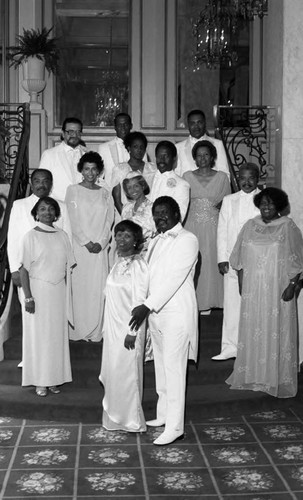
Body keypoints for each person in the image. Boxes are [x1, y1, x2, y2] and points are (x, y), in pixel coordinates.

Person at [129, 196, 199, 446]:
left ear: (177, 213)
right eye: (156, 213)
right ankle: (163, 415)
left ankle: (176, 426)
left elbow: (175, 278)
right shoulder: (156, 240)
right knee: (160, 365)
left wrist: (146, 306)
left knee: (174, 368)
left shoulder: (188, 239)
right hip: (157, 313)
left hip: (176, 312)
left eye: (164, 213)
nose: (160, 217)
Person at [226, 187, 303, 398]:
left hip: (278, 288)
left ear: (279, 206)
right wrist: (242, 282)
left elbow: (297, 257)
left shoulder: (288, 227)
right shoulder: (250, 225)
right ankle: (254, 375)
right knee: (255, 329)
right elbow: (239, 257)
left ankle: (274, 378)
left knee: (275, 329)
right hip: (253, 289)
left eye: (271, 203)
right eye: (263, 203)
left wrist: (292, 284)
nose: (266, 206)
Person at [7, 169, 72, 367]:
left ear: (51, 183)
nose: (41, 184)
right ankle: (31, 359)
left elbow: (66, 237)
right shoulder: (19, 205)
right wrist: (14, 269)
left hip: (53, 274)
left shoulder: (60, 206)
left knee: (52, 319)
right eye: (37, 181)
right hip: (27, 271)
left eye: (45, 181)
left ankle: (52, 359)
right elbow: (13, 238)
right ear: (31, 183)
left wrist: (66, 273)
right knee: (30, 316)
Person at [19, 196, 75, 397]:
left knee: (55, 337)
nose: (47, 212)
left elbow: (68, 269)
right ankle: (40, 381)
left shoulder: (62, 235)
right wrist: (28, 297)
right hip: (38, 292)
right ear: (36, 213)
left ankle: (54, 379)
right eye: (42, 209)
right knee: (40, 337)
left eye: (51, 209)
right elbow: (24, 270)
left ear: (56, 213)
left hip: (58, 292)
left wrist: (68, 299)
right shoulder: (30, 236)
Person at [99, 220, 149, 432]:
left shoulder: (139, 266)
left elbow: (139, 303)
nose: (121, 239)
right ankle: (114, 419)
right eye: (118, 234)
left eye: (127, 235)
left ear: (136, 240)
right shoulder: (117, 263)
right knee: (114, 373)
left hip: (128, 331)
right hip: (113, 330)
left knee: (128, 375)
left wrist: (132, 332)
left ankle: (132, 421)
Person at [212, 163, 261, 360]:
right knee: (232, 304)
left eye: (251, 178)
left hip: (257, 261)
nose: (246, 182)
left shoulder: (264, 200)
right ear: (236, 179)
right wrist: (222, 258)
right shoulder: (229, 200)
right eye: (242, 178)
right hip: (232, 259)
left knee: (255, 304)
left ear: (258, 179)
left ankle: (253, 346)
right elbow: (222, 229)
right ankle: (230, 346)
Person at [65, 152, 114, 342]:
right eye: (86, 169)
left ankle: (95, 331)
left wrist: (101, 243)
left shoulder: (105, 193)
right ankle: (77, 331)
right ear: (81, 170)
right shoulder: (73, 190)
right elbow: (72, 220)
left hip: (99, 250)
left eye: (94, 169)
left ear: (99, 171)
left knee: (97, 288)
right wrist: (86, 242)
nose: (90, 173)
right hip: (80, 248)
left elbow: (110, 220)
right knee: (80, 289)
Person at [184, 140, 230, 312]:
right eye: (199, 155)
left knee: (211, 263)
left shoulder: (222, 177)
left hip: (213, 227)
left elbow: (227, 205)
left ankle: (211, 302)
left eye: (206, 155)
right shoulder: (187, 176)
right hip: (191, 225)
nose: (202, 158)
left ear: (212, 157)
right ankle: (193, 302)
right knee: (193, 262)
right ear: (194, 158)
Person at [39, 117, 86, 201]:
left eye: (78, 132)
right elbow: (42, 183)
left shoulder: (86, 155)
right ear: (63, 133)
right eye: (70, 132)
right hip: (58, 206)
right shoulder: (49, 155)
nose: (74, 135)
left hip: (81, 206)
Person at [175, 109, 230, 178]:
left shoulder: (217, 144)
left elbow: (225, 175)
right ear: (188, 125)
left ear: (205, 123)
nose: (196, 126)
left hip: (212, 187)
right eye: (192, 123)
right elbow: (177, 177)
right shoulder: (178, 147)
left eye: (199, 122)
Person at [112, 131, 156, 213]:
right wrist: (128, 219)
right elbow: (117, 199)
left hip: (148, 216)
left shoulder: (152, 168)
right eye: (135, 147)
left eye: (142, 147)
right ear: (129, 148)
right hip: (126, 217)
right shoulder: (119, 169)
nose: (139, 150)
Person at [150, 141, 190, 222]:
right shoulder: (147, 177)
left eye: (166, 156)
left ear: (174, 158)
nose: (161, 159)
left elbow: (179, 217)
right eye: (159, 156)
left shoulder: (182, 184)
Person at [121, 171, 155, 251]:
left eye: (136, 186)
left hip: (146, 251)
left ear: (142, 186)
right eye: (129, 188)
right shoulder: (126, 208)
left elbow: (156, 233)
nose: (132, 190)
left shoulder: (152, 207)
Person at [98, 113, 133, 187]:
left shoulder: (139, 148)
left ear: (131, 126)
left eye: (125, 124)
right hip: (111, 194)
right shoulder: (103, 148)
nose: (123, 127)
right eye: (119, 125)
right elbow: (99, 177)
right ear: (115, 127)